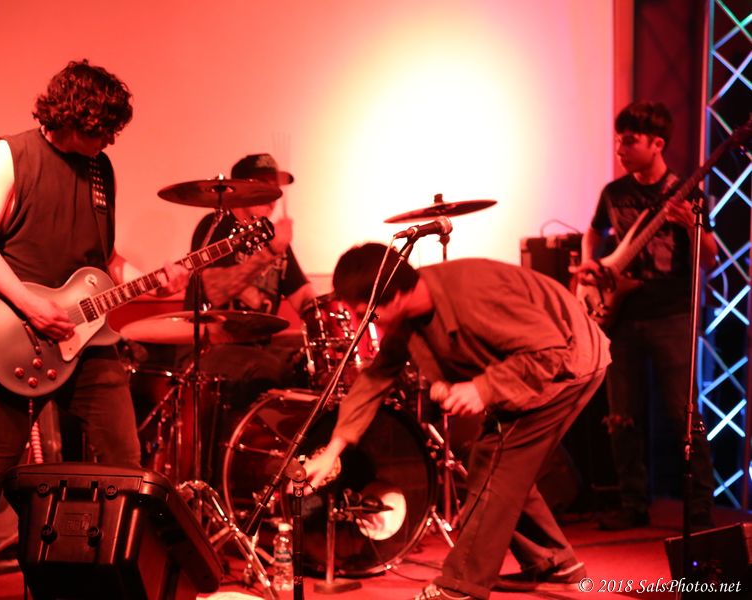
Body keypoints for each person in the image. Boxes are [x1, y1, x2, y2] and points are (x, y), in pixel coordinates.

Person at [0, 60, 187, 599]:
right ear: (73, 117)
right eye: (102, 131)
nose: (109, 142)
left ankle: (121, 577)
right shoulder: (11, 154)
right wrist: (32, 307)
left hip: (90, 338)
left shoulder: (101, 169)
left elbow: (104, 259)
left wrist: (156, 279)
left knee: (124, 462)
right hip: (20, 331)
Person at [303, 243, 610, 599]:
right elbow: (375, 380)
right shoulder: (407, 314)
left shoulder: (475, 295)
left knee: (495, 464)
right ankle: (554, 563)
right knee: (496, 466)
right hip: (536, 364)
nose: (360, 325)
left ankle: (462, 585)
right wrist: (333, 451)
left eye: (364, 315)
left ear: (396, 296)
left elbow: (551, 350)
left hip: (570, 363)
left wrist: (483, 388)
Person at [573, 101, 717, 531]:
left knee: (682, 414)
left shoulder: (688, 193)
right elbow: (594, 232)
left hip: (672, 315)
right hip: (621, 316)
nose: (620, 149)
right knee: (621, 416)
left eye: (629, 141)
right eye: (618, 141)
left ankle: (699, 508)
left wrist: (691, 225)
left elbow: (711, 257)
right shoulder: (613, 193)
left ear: (657, 144)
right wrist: (591, 261)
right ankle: (632, 504)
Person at [182, 153, 318, 402]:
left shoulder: (271, 236)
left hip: (259, 346)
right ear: (239, 188)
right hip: (211, 346)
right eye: (264, 185)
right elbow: (215, 291)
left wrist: (333, 313)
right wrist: (270, 253)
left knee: (308, 364)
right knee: (266, 368)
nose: (273, 195)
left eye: (276, 188)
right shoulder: (216, 226)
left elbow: (303, 297)